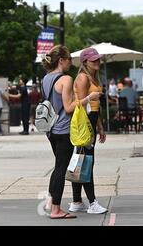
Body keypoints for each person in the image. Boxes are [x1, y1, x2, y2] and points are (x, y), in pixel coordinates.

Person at [41, 45, 100, 219]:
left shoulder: (46, 79)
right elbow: (68, 108)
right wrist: (88, 98)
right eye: (69, 60)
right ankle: (56, 210)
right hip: (64, 129)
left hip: (51, 129)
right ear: (61, 60)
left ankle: (51, 202)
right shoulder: (65, 79)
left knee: (58, 166)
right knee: (61, 168)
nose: (70, 63)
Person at [69, 47, 108, 214]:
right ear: (85, 62)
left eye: (98, 59)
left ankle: (77, 202)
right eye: (93, 60)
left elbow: (94, 107)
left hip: (91, 120)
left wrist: (99, 126)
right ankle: (92, 203)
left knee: (81, 161)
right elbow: (79, 105)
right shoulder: (83, 78)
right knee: (86, 163)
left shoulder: (93, 77)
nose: (97, 62)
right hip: (84, 122)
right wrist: (90, 98)